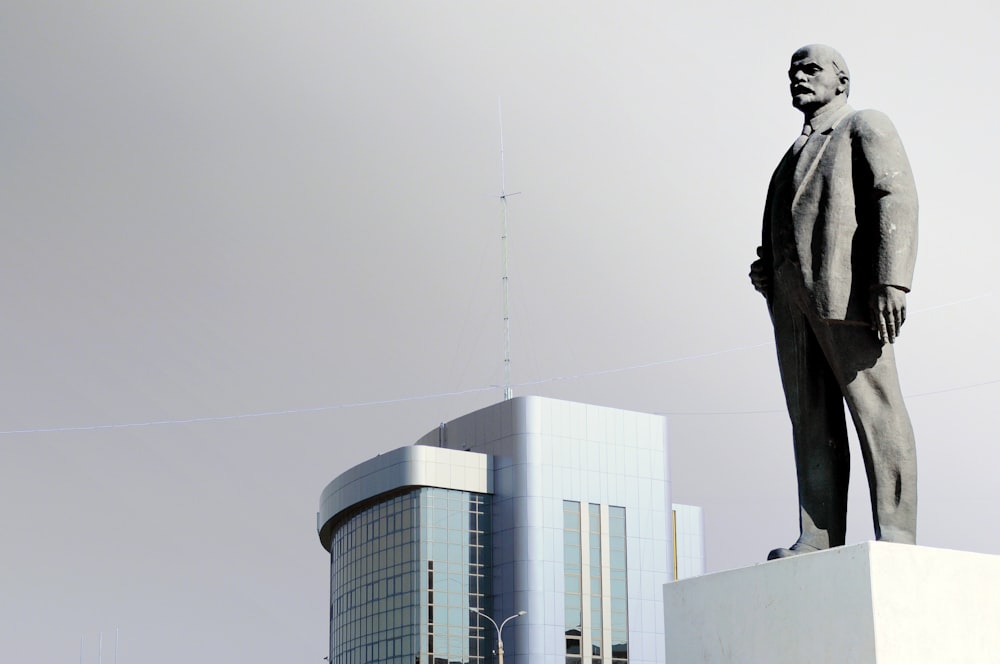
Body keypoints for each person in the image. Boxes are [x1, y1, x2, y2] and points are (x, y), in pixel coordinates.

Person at [749, 44, 918, 560]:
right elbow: (787, 220)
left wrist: (892, 280)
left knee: (877, 409)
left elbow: (896, 195)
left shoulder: (864, 125)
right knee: (811, 420)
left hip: (846, 297)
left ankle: (898, 534)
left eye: (811, 68)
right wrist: (767, 267)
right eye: (792, 71)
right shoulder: (790, 155)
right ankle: (818, 534)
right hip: (792, 304)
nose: (799, 77)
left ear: (841, 80)